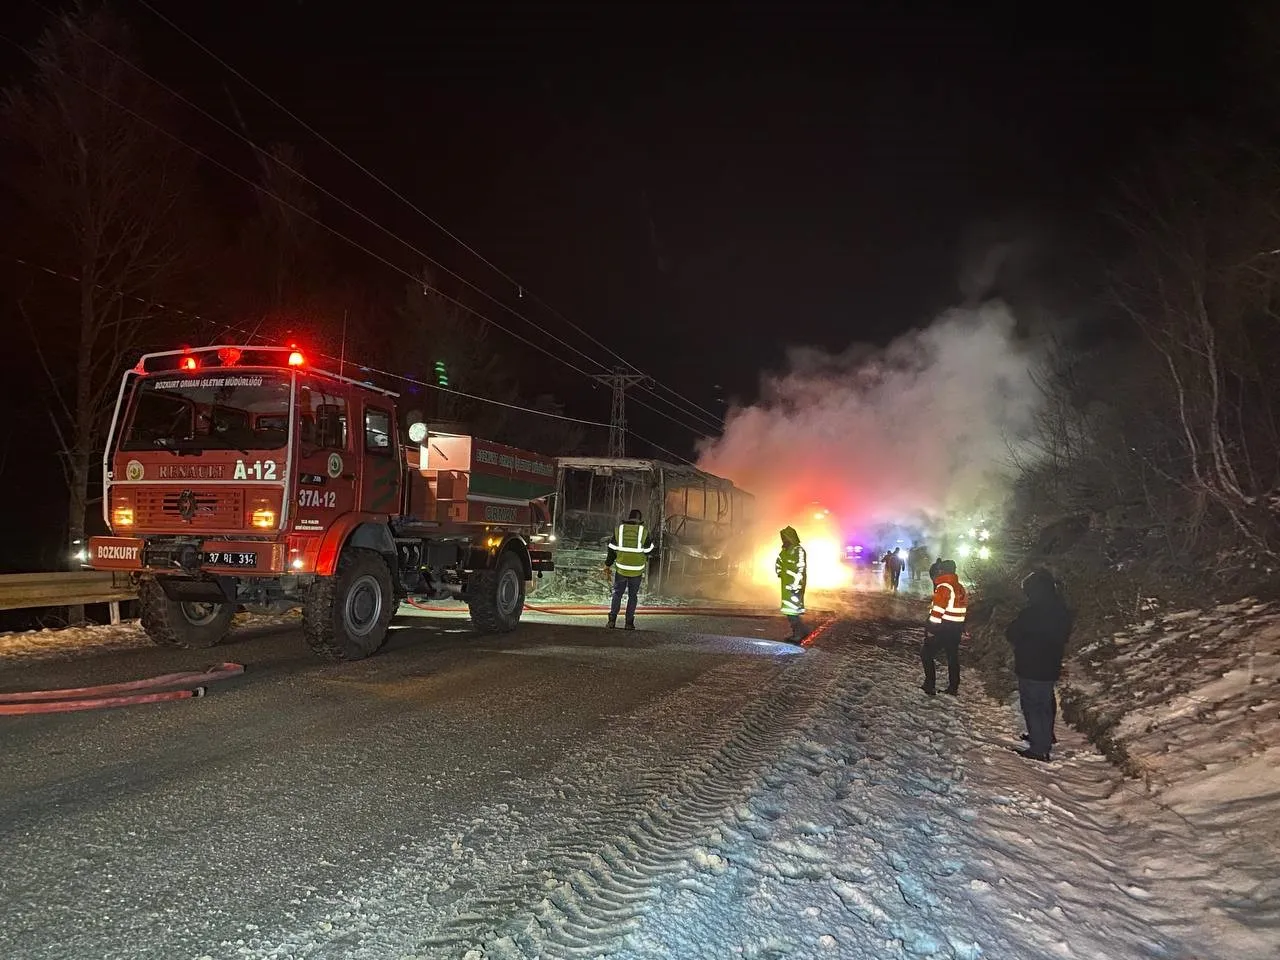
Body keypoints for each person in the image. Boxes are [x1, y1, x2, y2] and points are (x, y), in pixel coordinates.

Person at [1006, 569, 1073, 761]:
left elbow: (1012, 633)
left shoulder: (1032, 613)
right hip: (1051, 663)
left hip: (1030, 664)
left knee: (1032, 705)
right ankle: (1044, 737)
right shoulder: (1061, 610)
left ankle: (1039, 748)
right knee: (1045, 703)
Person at [921, 559, 967, 696]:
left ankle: (929, 685)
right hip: (956, 627)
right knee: (952, 657)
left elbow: (938, 610)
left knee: (926, 653)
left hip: (944, 627)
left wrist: (931, 626)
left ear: (942, 570)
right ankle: (953, 687)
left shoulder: (944, 586)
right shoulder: (959, 586)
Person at [604, 509, 655, 629]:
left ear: (628, 518)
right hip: (636, 570)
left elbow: (611, 550)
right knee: (633, 596)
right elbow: (649, 550)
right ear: (639, 520)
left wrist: (607, 564)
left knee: (617, 594)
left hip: (621, 568)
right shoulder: (643, 532)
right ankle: (629, 623)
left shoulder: (619, 530)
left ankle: (612, 621)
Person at [775, 526, 808, 642]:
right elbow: (778, 562)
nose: (783, 540)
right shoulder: (784, 551)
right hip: (786, 585)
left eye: (785, 538)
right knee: (789, 611)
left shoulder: (799, 550)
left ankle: (799, 633)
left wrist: (796, 584)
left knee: (793, 611)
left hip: (794, 586)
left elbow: (800, 567)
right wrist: (779, 573)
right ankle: (798, 632)